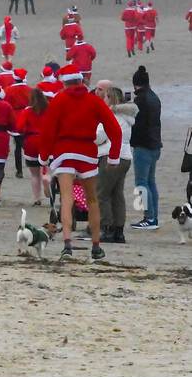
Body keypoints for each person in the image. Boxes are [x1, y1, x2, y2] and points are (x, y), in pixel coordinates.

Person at [40, 66, 121, 260]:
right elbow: (114, 130)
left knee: (67, 199)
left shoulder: (59, 100)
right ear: (81, 81)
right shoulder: (94, 101)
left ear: (65, 82)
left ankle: (67, 243)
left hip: (63, 152)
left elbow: (48, 130)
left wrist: (43, 156)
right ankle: (96, 246)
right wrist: (114, 156)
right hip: (87, 152)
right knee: (92, 200)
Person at [95, 84, 135, 244]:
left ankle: (107, 228)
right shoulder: (127, 118)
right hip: (126, 157)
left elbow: (99, 137)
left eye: (105, 96)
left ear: (110, 99)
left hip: (110, 155)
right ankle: (119, 231)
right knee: (117, 194)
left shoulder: (109, 116)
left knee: (102, 194)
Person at [130, 65, 162, 230]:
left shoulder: (140, 99)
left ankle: (148, 218)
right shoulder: (155, 97)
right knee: (151, 182)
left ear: (136, 84)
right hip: (155, 145)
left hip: (143, 145)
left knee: (141, 182)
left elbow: (137, 125)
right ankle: (154, 217)